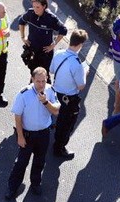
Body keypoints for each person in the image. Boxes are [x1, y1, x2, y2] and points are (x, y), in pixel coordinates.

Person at [6, 66, 61, 200]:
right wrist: (20, 136)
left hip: (43, 134)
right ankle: (13, 187)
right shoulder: (23, 94)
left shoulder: (50, 90)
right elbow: (17, 116)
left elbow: (56, 110)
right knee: (21, 163)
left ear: (47, 79)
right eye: (38, 81)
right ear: (32, 79)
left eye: (43, 81)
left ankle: (35, 183)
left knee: (39, 161)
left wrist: (45, 102)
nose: (41, 84)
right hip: (27, 135)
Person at [50, 29, 87, 159]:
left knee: (58, 116)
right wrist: (85, 74)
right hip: (69, 98)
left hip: (56, 93)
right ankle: (59, 148)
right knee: (67, 124)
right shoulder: (77, 64)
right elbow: (81, 86)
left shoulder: (59, 53)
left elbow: (52, 70)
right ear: (80, 45)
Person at [18, 0, 67, 80]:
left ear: (44, 6)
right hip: (32, 50)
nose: (35, 9)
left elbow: (64, 30)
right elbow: (21, 21)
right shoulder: (30, 13)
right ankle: (33, 89)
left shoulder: (51, 18)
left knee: (44, 76)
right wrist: (23, 37)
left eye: (38, 7)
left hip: (45, 53)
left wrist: (53, 44)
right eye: (33, 6)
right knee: (33, 74)